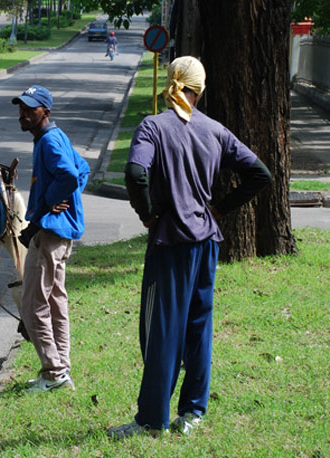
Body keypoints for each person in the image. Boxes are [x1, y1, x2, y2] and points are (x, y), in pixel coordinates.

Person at [108, 56, 272, 438]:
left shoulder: (153, 127)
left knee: (161, 330)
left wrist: (146, 214)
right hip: (206, 241)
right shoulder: (215, 130)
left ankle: (151, 420)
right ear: (198, 90)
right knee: (199, 325)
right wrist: (221, 208)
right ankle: (193, 412)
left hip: (171, 243)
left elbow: (135, 172)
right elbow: (259, 174)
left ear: (170, 83)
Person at [12, 85, 90, 393]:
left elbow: (71, 176)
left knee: (33, 305)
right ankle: (60, 370)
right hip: (60, 235)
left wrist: (49, 203)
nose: (23, 113)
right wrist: (62, 197)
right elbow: (82, 170)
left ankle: (54, 373)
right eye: (21, 108)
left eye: (30, 109)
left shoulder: (48, 141)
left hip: (49, 234)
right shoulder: (55, 137)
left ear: (46, 111)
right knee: (56, 303)